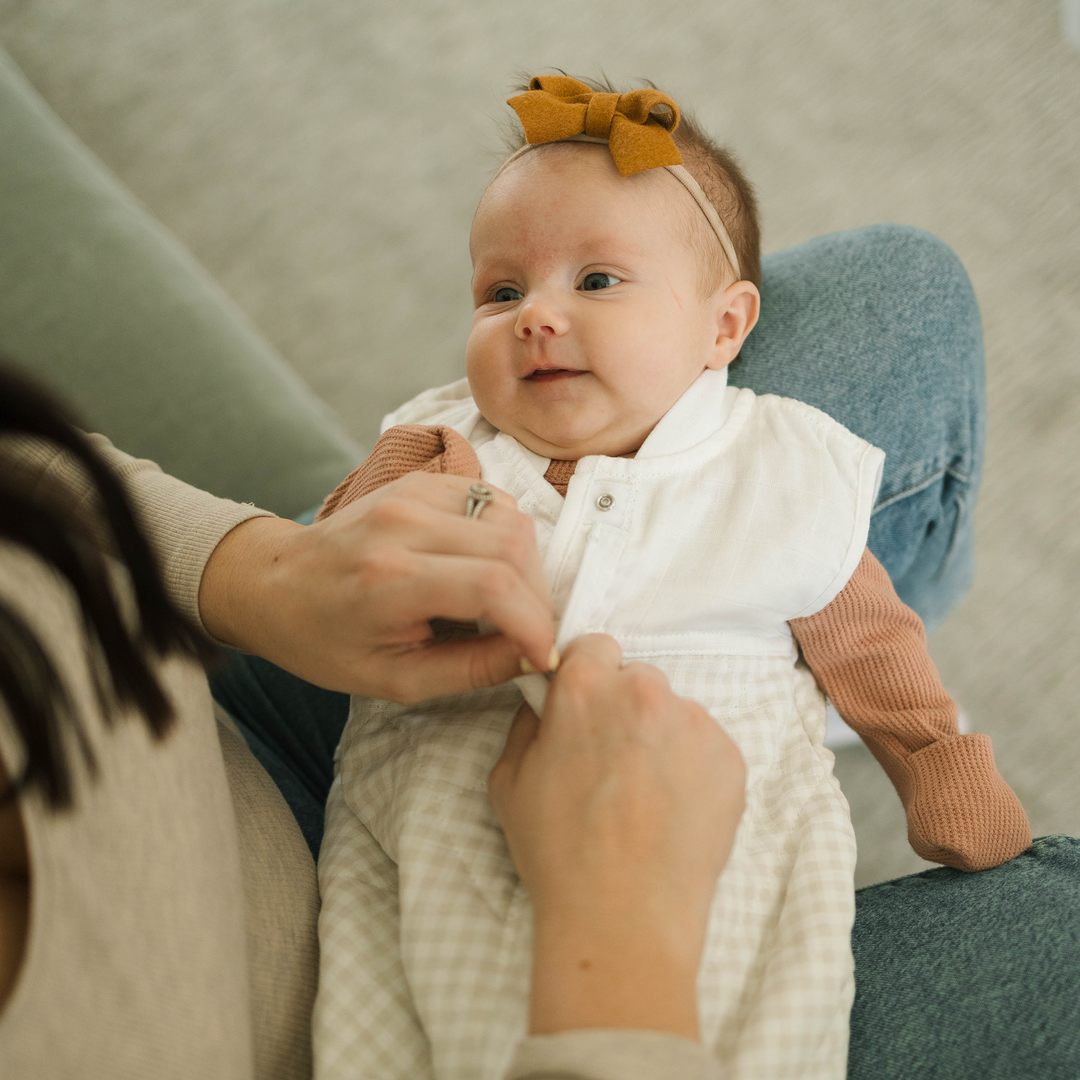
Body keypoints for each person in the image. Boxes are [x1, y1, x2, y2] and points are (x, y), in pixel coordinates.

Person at [308, 75, 1027, 1080]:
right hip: (442, 795)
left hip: (718, 792)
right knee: (406, 999)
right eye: (501, 291)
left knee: (761, 982)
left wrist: (937, 761)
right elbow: (334, 570)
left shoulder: (778, 468)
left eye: (596, 281)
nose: (536, 317)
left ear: (724, 330)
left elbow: (869, 635)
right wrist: (395, 505)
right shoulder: (446, 447)